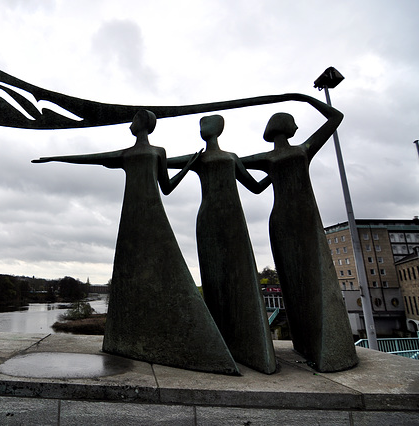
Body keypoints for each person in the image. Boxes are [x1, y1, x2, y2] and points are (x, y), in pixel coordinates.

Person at [33, 110, 238, 374]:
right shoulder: (128, 154)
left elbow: (167, 187)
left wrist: (188, 166)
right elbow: (92, 159)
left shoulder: (158, 152)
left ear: (142, 124)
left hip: (150, 212)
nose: (130, 125)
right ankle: (130, 335)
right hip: (131, 215)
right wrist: (55, 158)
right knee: (129, 271)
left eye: (133, 121)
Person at [242, 94, 358, 372]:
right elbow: (335, 117)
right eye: (293, 122)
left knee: (296, 281)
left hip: (281, 218)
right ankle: (320, 347)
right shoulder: (302, 150)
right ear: (287, 127)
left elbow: (254, 186)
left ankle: (312, 344)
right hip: (303, 218)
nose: (296, 126)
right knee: (312, 277)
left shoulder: (268, 157)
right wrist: (303, 98)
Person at [168, 114, 276, 374]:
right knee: (213, 278)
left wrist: (279, 170)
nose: (203, 129)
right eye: (201, 125)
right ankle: (220, 338)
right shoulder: (198, 159)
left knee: (240, 275)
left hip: (233, 220)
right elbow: (163, 165)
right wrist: (185, 164)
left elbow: (256, 187)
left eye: (207, 124)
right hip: (207, 219)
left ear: (219, 128)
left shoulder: (231, 157)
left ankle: (247, 342)